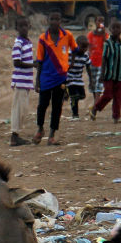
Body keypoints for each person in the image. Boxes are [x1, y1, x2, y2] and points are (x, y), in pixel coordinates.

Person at [34, 11, 76, 145]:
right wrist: (37, 81)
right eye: (52, 19)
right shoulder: (43, 38)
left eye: (57, 19)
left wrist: (71, 63)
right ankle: (40, 129)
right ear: (48, 20)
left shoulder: (67, 35)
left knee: (57, 107)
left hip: (61, 78)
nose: (54, 22)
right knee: (42, 105)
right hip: (46, 78)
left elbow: (75, 49)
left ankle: (51, 135)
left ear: (60, 21)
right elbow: (39, 61)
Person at [89, 18, 121, 122]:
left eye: (118, 27)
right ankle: (95, 108)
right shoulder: (107, 43)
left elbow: (119, 58)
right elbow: (104, 58)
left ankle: (116, 116)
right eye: (113, 27)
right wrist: (102, 74)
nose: (115, 30)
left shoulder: (119, 42)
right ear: (110, 29)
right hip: (108, 75)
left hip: (119, 75)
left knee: (118, 97)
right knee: (108, 95)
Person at [8, 15, 34, 146]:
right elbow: (17, 62)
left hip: (26, 81)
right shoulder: (18, 43)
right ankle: (14, 136)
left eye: (26, 25)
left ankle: (16, 135)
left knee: (22, 110)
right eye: (21, 26)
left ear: (29, 26)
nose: (24, 28)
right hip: (20, 81)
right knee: (18, 110)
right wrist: (33, 65)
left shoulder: (27, 42)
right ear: (16, 28)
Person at [66, 34, 90, 119]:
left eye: (86, 47)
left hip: (78, 79)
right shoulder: (69, 54)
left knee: (82, 95)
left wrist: (91, 79)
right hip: (69, 78)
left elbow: (88, 67)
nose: (84, 49)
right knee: (74, 97)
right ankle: (75, 114)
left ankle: (71, 97)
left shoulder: (85, 55)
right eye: (83, 47)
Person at [86, 16, 107, 104]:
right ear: (95, 22)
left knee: (99, 82)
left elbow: (106, 44)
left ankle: (96, 102)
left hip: (101, 62)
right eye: (99, 21)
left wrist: (103, 34)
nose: (100, 23)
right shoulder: (91, 34)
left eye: (102, 21)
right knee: (93, 82)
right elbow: (89, 47)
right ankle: (96, 100)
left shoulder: (104, 34)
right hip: (93, 61)